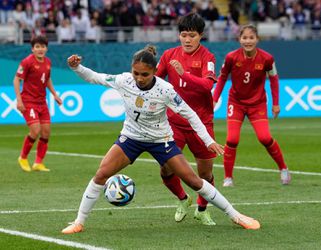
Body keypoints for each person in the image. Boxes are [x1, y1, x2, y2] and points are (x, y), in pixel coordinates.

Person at [61, 46, 260, 234]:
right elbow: (95, 77)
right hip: (131, 137)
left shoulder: (166, 90)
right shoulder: (123, 81)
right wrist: (76, 67)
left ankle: (236, 215)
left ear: (155, 71)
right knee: (101, 173)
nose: (139, 78)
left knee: (193, 180)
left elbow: (190, 114)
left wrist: (208, 141)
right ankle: (79, 222)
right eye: (135, 73)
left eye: (144, 74)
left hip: (161, 140)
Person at [156, 13, 218, 225]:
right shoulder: (168, 55)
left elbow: (207, 86)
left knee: (205, 172)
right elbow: (154, 81)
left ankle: (202, 209)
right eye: (184, 35)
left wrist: (184, 75)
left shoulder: (207, 58)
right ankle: (183, 199)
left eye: (192, 35)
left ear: (201, 35)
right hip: (174, 123)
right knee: (166, 166)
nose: (187, 40)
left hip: (202, 122)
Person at [212, 24, 291, 187]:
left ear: (257, 39)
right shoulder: (231, 57)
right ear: (239, 39)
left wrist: (276, 103)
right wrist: (214, 98)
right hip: (236, 102)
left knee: (265, 137)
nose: (248, 41)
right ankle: (228, 178)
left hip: (257, 103)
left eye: (251, 37)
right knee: (232, 139)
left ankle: (283, 168)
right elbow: (222, 77)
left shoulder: (267, 58)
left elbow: (274, 79)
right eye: (244, 38)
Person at [13, 35, 62, 172]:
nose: (40, 49)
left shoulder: (47, 62)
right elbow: (16, 80)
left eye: (43, 46)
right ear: (32, 49)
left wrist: (55, 95)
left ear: (46, 48)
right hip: (28, 101)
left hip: (42, 102)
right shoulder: (26, 62)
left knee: (46, 133)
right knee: (35, 130)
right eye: (37, 47)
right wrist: (19, 100)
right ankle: (23, 157)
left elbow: (47, 79)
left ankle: (38, 163)